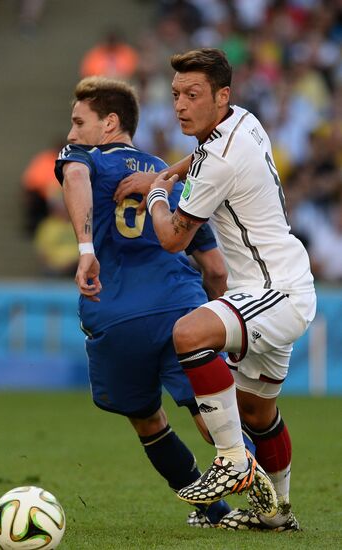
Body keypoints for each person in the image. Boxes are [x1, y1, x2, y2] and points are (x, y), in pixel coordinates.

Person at [53, 76, 267, 528]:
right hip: (179, 307)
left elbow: (73, 175)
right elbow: (215, 268)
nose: (71, 133)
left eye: (78, 122)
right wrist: (220, 321)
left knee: (148, 422)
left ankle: (212, 511)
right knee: (211, 413)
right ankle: (266, 504)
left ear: (110, 123)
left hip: (114, 313)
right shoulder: (169, 176)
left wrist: (87, 249)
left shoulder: (82, 158)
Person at [117, 48, 316, 531]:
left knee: (189, 333)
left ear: (221, 96)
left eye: (193, 95)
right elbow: (204, 155)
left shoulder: (219, 160)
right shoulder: (243, 120)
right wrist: (171, 171)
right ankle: (277, 514)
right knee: (256, 411)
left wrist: (159, 191)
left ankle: (230, 459)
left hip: (275, 289)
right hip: (281, 284)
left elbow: (171, 239)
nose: (181, 105)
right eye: (176, 96)